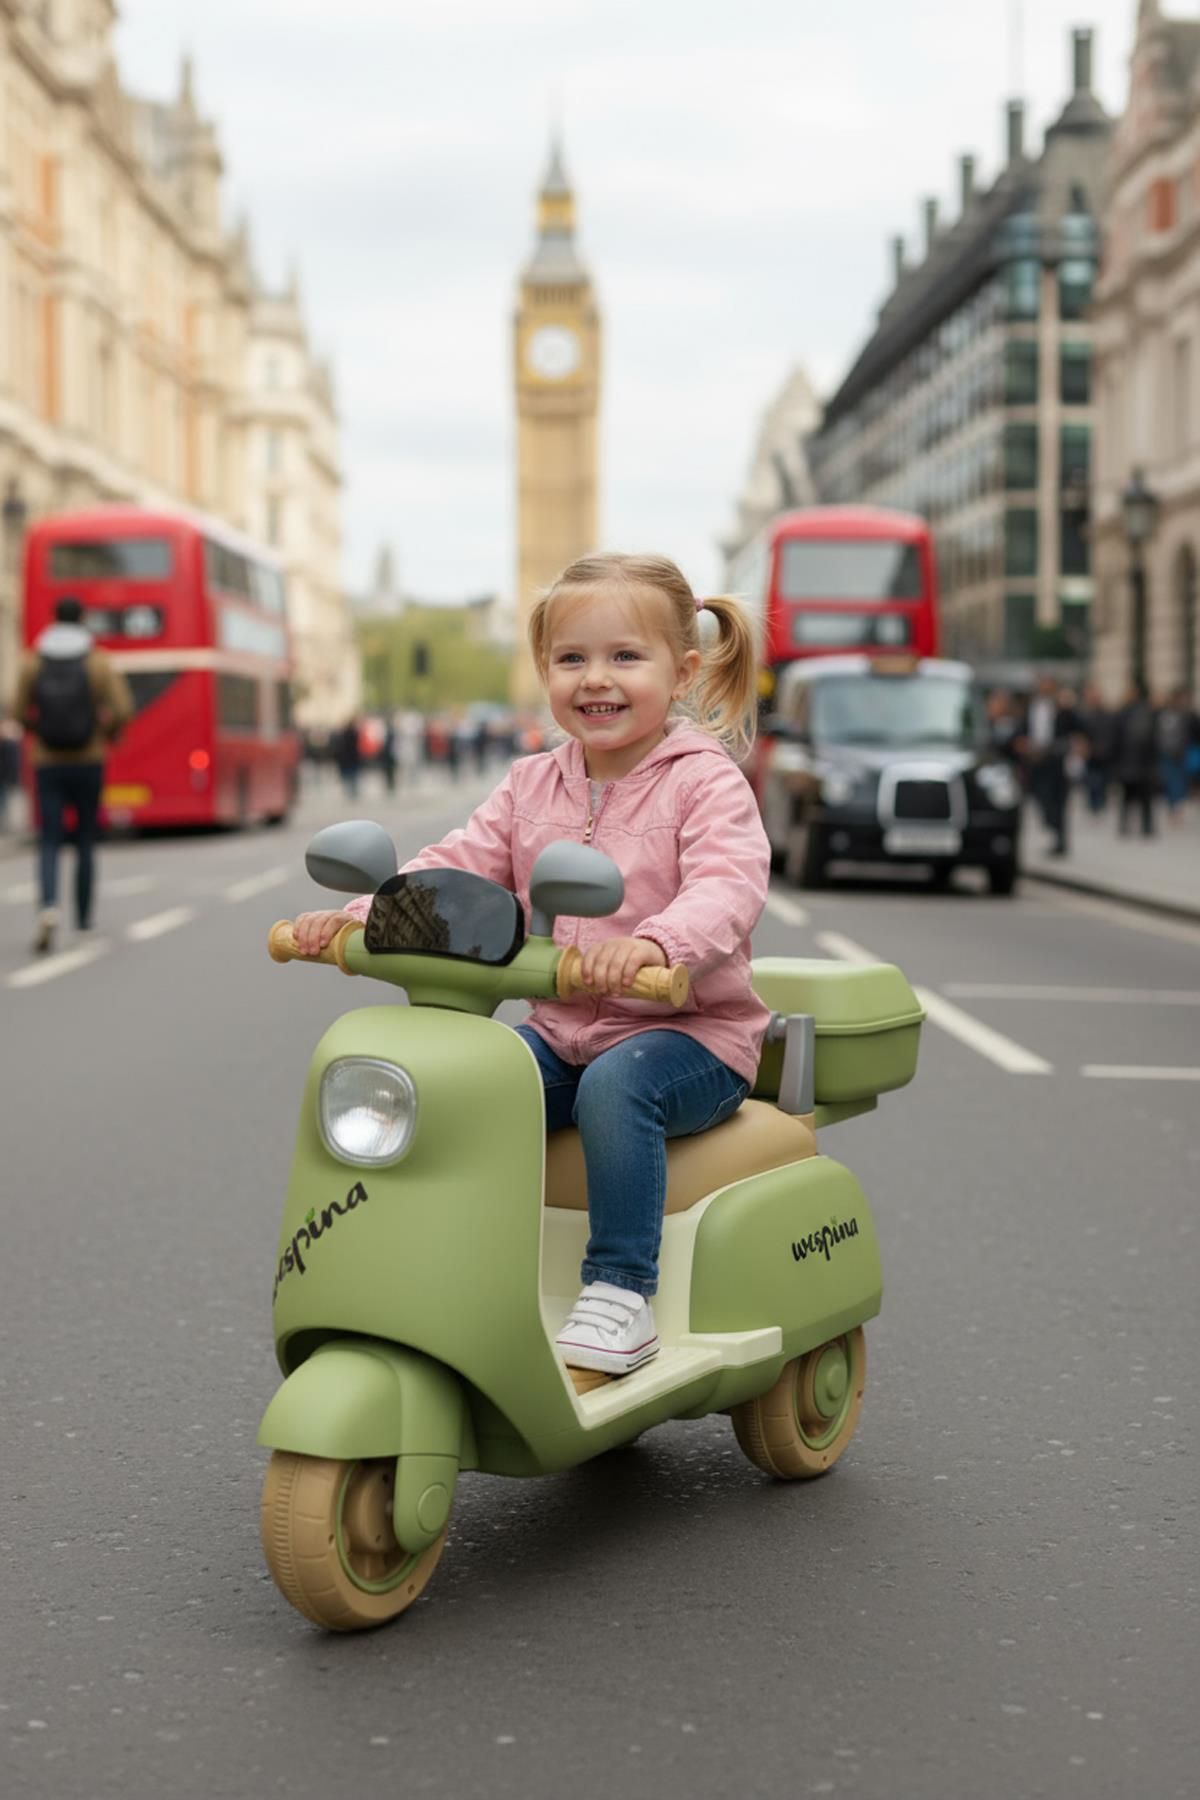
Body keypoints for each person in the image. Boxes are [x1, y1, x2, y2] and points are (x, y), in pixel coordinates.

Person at [293, 552, 770, 1377]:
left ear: (683, 670)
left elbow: (730, 884)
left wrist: (658, 944)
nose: (597, 679)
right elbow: (458, 865)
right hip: (564, 1027)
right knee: (467, 1080)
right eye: (572, 658)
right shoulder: (529, 784)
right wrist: (359, 916)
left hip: (690, 1034)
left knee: (620, 1086)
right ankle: (454, 1264)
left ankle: (622, 1290)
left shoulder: (706, 784)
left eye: (626, 657)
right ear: (544, 669)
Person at [11, 596, 133, 954]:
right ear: (82, 620)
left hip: (47, 761)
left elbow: (18, 709)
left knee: (49, 839)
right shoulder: (97, 661)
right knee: (84, 841)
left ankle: (49, 907)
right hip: (88, 759)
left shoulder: (33, 661)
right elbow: (123, 708)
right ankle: (83, 923)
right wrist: (106, 735)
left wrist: (38, 730)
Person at [1016, 675, 1081, 856]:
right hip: (1036, 761)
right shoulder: (1031, 708)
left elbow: (1076, 728)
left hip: (1057, 760)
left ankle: (1061, 840)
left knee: (1059, 802)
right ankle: (1051, 824)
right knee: (1041, 797)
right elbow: (1021, 731)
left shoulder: (1061, 708)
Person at [1113, 680, 1159, 837]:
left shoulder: (1145, 712)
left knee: (1141, 797)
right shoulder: (1127, 712)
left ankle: (1144, 827)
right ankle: (1130, 826)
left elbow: (1151, 739)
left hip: (1140, 763)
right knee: (1129, 797)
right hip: (1131, 762)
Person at [1078, 681, 1118, 815]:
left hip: (1105, 752)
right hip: (1091, 753)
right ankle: (1094, 805)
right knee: (1092, 780)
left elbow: (1113, 733)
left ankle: (1100, 803)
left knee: (1103, 780)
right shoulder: (1083, 715)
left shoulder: (1108, 714)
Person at [1155, 687, 1192, 823]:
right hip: (1170, 753)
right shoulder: (1168, 714)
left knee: (1176, 781)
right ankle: (1174, 807)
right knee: (1173, 781)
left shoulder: (1183, 715)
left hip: (1177, 753)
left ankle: (1175, 807)